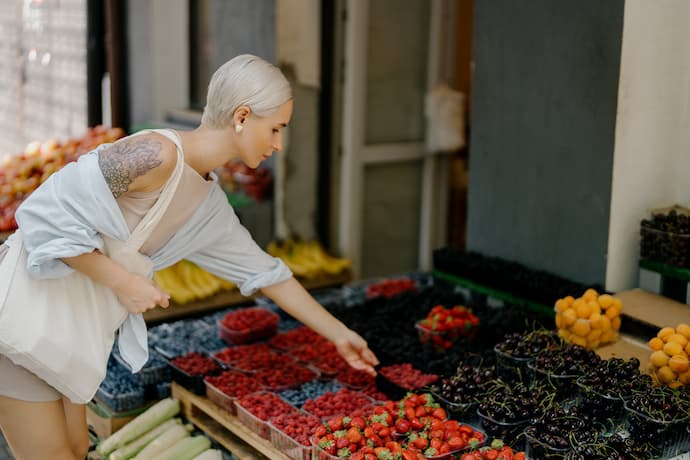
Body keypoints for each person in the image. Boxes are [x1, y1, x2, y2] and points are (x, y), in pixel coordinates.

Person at [0, 54, 379, 460]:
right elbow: (41, 214)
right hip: (25, 314)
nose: (278, 144)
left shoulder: (209, 206)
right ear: (242, 116)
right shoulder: (154, 154)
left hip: (70, 330)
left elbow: (268, 274)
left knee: (76, 450)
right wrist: (123, 282)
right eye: (276, 128)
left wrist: (340, 334)